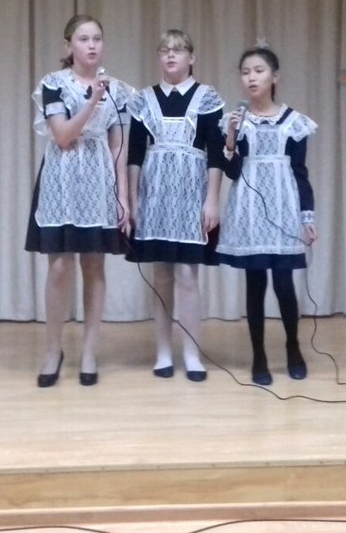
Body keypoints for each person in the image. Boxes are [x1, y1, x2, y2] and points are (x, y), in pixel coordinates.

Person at [25, 14, 133, 388]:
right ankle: (53, 350)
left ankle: (89, 351)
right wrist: (92, 102)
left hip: (98, 179)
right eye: (84, 38)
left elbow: (118, 146)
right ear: (68, 46)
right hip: (61, 178)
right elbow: (62, 136)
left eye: (97, 38)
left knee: (94, 265)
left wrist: (123, 197)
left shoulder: (117, 90)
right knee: (59, 267)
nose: (91, 45)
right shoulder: (53, 84)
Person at [126, 30, 226, 382]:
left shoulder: (207, 98)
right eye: (165, 50)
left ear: (191, 58)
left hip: (191, 197)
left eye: (178, 50)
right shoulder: (144, 100)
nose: (171, 55)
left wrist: (212, 200)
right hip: (155, 198)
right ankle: (163, 352)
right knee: (161, 275)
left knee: (187, 276)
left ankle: (192, 353)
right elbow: (134, 155)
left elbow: (216, 155)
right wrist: (133, 200)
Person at [218, 45, 317, 386]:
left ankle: (293, 347)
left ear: (274, 77)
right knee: (255, 282)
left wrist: (307, 217)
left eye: (258, 71)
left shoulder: (294, 123)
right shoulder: (235, 120)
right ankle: (258, 355)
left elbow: (301, 174)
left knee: (284, 283)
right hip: (249, 210)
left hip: (284, 208)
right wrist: (231, 137)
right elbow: (232, 172)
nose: (251, 77)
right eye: (245, 72)